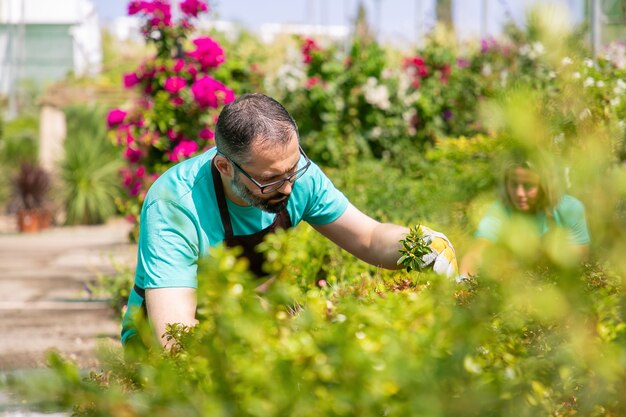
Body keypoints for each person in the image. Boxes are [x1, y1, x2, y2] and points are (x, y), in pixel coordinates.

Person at [121, 93, 458, 349]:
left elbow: (368, 237)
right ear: (225, 168)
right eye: (270, 179)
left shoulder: (293, 174)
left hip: (255, 331)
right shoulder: (175, 205)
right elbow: (174, 339)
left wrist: (418, 245)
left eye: (293, 169)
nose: (288, 187)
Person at [459, 157, 590, 278]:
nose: (519, 193)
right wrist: (463, 281)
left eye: (528, 186)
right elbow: (477, 252)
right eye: (514, 184)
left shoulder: (569, 209)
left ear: (544, 186)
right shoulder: (499, 211)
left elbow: (578, 262)